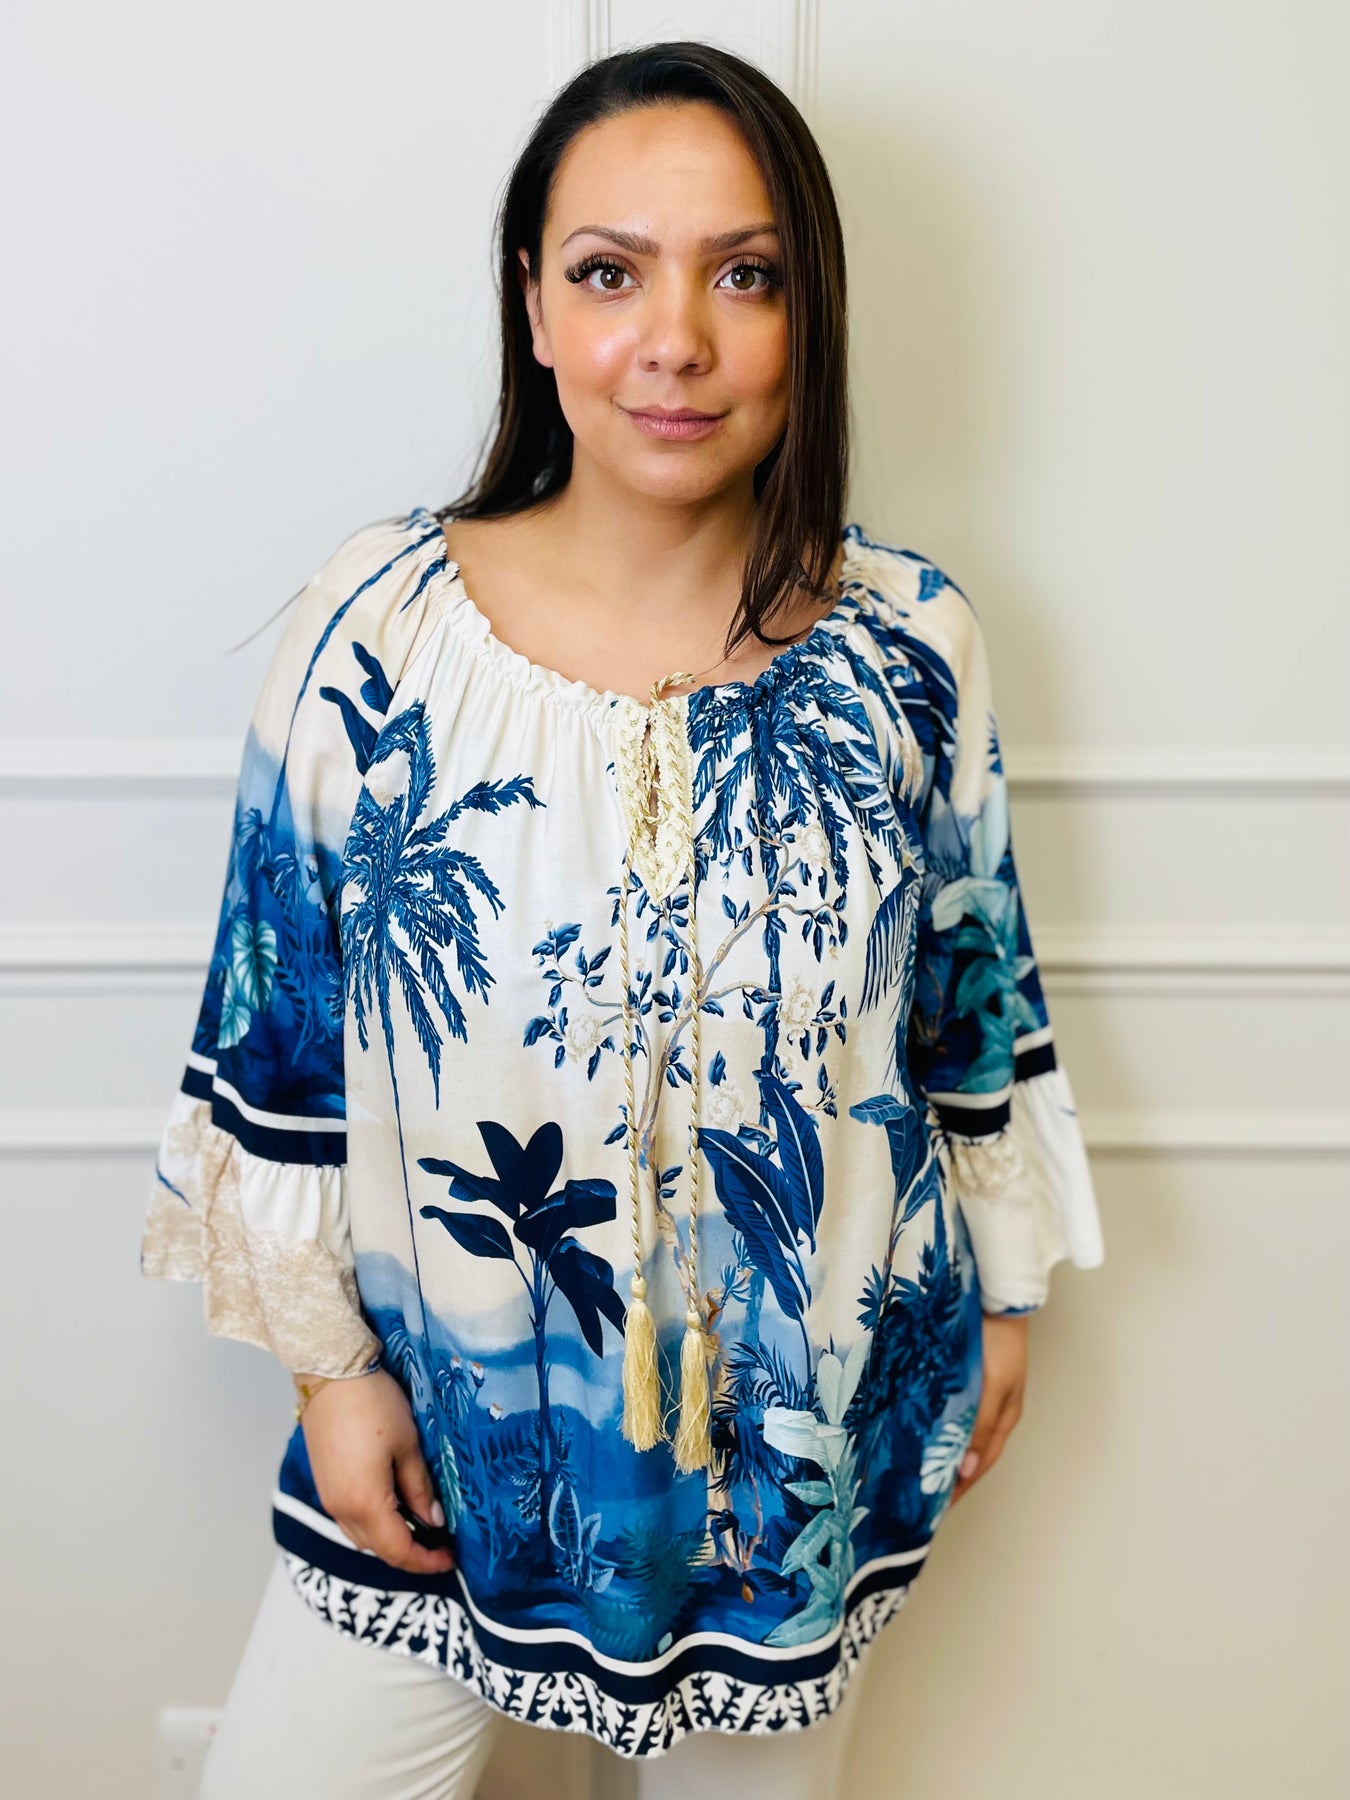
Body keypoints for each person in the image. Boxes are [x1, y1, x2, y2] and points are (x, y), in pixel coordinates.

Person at [141, 39, 1105, 1800]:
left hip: (797, 1464)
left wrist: (1006, 1299)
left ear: (808, 315)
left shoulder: (914, 645)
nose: (675, 341)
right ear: (531, 305)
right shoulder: (375, 634)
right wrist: (328, 1379)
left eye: (745, 276)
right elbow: (275, 1045)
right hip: (447, 1444)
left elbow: (967, 1003)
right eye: (608, 273)